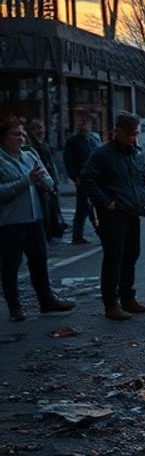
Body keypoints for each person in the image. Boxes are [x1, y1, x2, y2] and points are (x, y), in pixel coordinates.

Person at [79, 111, 145, 321]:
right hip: (113, 214)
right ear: (118, 131)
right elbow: (88, 179)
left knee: (131, 254)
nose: (134, 137)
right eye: (130, 134)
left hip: (132, 210)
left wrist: (143, 194)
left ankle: (128, 297)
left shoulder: (136, 153)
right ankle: (111, 304)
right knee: (114, 258)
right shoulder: (103, 154)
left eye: (136, 133)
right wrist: (105, 202)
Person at [0, 117, 75, 321]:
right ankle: (15, 305)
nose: (21, 137)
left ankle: (46, 300)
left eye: (23, 133)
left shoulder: (29, 155)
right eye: (16, 134)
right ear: (4, 137)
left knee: (39, 261)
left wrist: (45, 182)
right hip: (11, 220)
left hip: (35, 217)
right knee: (11, 264)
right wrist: (26, 181)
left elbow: (48, 180)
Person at [24, 119, 65, 242]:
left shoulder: (43, 144)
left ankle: (52, 230)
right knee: (45, 209)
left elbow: (50, 164)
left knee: (52, 208)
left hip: (49, 178)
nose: (39, 131)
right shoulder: (32, 147)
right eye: (36, 128)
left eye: (41, 127)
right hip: (41, 182)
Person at [64, 113, 101, 244]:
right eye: (82, 123)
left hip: (94, 178)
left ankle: (98, 231)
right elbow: (68, 161)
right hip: (83, 178)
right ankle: (78, 235)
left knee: (91, 207)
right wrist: (75, 177)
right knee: (83, 207)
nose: (84, 126)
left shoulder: (93, 141)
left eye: (87, 123)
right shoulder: (73, 142)